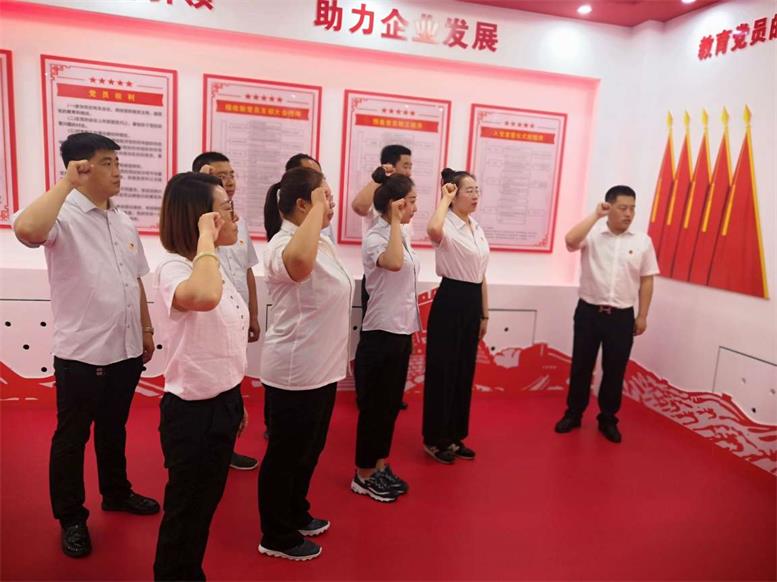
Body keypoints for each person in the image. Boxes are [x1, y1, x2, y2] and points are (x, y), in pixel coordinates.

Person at [12, 132, 159, 558]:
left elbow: (134, 280)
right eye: (106, 163)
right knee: (72, 437)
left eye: (117, 163)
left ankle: (116, 492)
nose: (117, 172)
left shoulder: (123, 220)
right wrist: (66, 184)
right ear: (81, 167)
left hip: (125, 348)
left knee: (114, 428)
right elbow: (27, 230)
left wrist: (146, 330)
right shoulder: (63, 214)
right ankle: (72, 517)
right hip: (81, 352)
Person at [152, 172, 248, 580]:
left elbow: (223, 344)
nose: (235, 217)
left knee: (203, 507)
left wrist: (235, 400)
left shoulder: (212, 264)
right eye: (226, 209)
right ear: (201, 219)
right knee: (186, 511)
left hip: (222, 402)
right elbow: (204, 298)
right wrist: (206, 238)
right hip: (191, 413)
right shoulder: (175, 267)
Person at [258, 166, 353, 561]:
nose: (332, 204)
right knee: (286, 455)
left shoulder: (319, 241)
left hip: (322, 370)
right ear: (303, 204)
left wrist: (317, 213)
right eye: (324, 197)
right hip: (295, 371)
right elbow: (298, 265)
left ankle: (296, 511)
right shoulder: (281, 245)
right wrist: (317, 208)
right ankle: (276, 535)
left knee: (309, 450)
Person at [554, 185, 658, 444]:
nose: (628, 213)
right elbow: (570, 241)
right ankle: (574, 413)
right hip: (589, 312)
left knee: (615, 369)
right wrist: (595, 215)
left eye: (632, 208)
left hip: (622, 316)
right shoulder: (592, 234)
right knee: (581, 365)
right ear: (609, 207)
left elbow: (647, 280)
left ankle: (608, 418)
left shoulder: (642, 242)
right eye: (623, 208)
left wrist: (643, 315)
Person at [351, 171, 419, 503]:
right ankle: (363, 475)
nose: (415, 208)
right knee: (375, 408)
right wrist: (393, 221)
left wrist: (397, 223)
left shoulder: (399, 233)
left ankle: (379, 465)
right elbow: (392, 263)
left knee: (390, 406)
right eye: (411, 201)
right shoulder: (377, 237)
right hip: (380, 332)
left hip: (401, 330)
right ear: (395, 204)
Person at [192, 152, 259, 471]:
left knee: (233, 380)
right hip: (208, 319)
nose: (229, 181)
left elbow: (247, 270)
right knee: (209, 386)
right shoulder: (196, 224)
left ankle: (225, 449)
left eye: (232, 174)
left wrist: (253, 314)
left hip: (237, 315)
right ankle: (201, 449)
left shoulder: (238, 222)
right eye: (220, 175)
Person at [423, 168, 490, 464]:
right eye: (469, 190)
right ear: (453, 193)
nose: (475, 195)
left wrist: (485, 314)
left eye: (477, 190)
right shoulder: (446, 223)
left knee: (464, 372)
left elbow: (481, 273)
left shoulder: (476, 226)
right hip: (450, 299)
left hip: (473, 301)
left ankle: (454, 435)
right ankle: (434, 439)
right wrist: (444, 199)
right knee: (443, 371)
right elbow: (432, 230)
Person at [351, 144, 413, 411]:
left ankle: (390, 394)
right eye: (405, 165)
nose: (409, 170)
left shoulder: (405, 199)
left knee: (399, 343)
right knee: (375, 340)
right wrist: (378, 178)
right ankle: (367, 394)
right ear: (391, 165)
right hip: (379, 273)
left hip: (399, 279)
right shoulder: (380, 195)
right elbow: (358, 206)